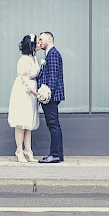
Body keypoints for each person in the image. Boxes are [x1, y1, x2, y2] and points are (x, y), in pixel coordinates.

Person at [7, 33, 41, 163]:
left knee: (28, 121)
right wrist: (34, 92)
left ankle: (28, 149)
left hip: (33, 89)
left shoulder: (34, 58)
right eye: (37, 42)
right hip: (23, 91)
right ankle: (19, 150)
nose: (39, 44)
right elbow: (24, 79)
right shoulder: (24, 60)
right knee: (21, 122)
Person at [35, 31, 65, 163]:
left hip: (50, 96)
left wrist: (47, 93)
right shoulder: (48, 54)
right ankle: (58, 154)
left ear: (49, 39)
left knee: (53, 124)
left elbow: (53, 76)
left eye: (41, 39)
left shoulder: (52, 54)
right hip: (50, 95)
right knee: (53, 124)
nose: (39, 42)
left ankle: (55, 155)